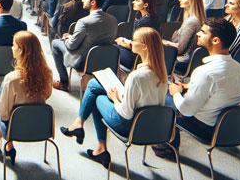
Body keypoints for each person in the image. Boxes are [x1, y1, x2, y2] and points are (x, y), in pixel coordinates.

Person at [61, 27, 168, 168]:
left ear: (144, 46)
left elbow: (126, 113)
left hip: (128, 125)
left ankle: (88, 135)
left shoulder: (136, 77)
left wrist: (115, 98)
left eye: (133, 40)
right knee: (94, 84)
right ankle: (83, 129)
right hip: (149, 125)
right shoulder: (162, 72)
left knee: (97, 96)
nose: (130, 42)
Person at [155, 18, 240, 158]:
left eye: (203, 32)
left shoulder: (205, 72)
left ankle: (167, 148)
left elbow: (186, 110)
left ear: (216, 40)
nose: (198, 33)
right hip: (226, 128)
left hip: (204, 128)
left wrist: (175, 93)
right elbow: (220, 92)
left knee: (159, 96)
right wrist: (189, 86)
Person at [0, 31, 53, 164]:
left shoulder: (12, 79)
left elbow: (3, 115)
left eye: (14, 45)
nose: (11, 48)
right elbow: (47, 95)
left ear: (21, 50)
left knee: (3, 105)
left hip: (16, 128)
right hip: (41, 126)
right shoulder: (47, 73)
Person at [50, 0, 118, 91]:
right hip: (106, 60)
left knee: (55, 43)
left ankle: (63, 83)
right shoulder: (113, 20)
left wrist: (67, 39)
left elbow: (72, 46)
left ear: (93, 2)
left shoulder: (84, 22)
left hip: (84, 61)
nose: (82, 0)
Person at [162, 0, 206, 74]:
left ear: (191, 2)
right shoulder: (196, 19)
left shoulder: (191, 22)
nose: (179, 0)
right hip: (187, 59)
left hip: (182, 60)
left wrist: (165, 42)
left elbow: (180, 49)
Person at [115, 0, 159, 69]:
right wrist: (126, 41)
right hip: (149, 57)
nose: (133, 2)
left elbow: (135, 47)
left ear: (145, 5)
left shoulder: (141, 22)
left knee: (113, 48)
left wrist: (120, 42)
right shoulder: (155, 19)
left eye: (137, 0)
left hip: (135, 58)